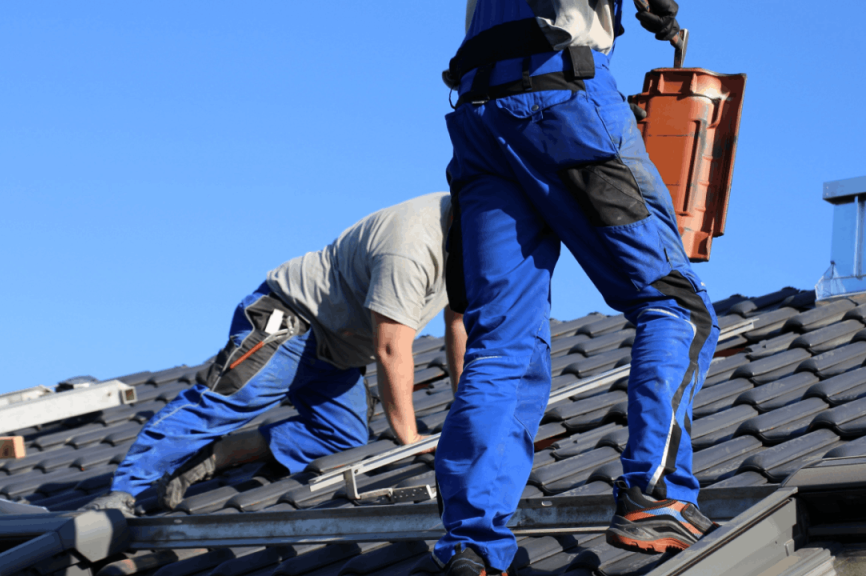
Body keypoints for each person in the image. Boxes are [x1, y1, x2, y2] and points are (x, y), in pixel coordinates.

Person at [419, 1, 720, 573]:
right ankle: (654, 496)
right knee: (676, 305)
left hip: (479, 119)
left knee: (501, 343)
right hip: (559, 101)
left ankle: (473, 547)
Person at [82, 192, 466, 516]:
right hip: (292, 318)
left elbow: (458, 326)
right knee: (230, 399)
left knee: (344, 439)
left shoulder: (471, 244)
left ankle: (220, 456)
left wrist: (467, 408)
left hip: (340, 353)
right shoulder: (414, 245)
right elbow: (390, 348)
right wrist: (411, 437)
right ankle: (122, 494)